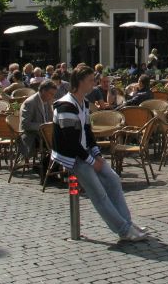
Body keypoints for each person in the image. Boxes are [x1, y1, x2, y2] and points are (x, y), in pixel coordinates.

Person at [51, 66, 147, 242]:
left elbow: (88, 132)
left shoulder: (84, 103)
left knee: (113, 179)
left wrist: (97, 154)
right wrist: (90, 160)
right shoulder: (65, 105)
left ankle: (127, 222)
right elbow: (70, 141)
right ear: (80, 82)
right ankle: (123, 230)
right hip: (71, 157)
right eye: (90, 80)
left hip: (84, 152)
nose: (94, 84)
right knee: (99, 193)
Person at [19, 79, 56, 160]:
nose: (52, 96)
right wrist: (43, 127)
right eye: (51, 94)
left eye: (53, 94)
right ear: (43, 91)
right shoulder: (31, 102)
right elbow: (25, 124)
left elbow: (50, 120)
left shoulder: (47, 101)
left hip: (44, 135)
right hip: (32, 137)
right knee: (59, 143)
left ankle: (55, 166)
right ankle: (52, 166)